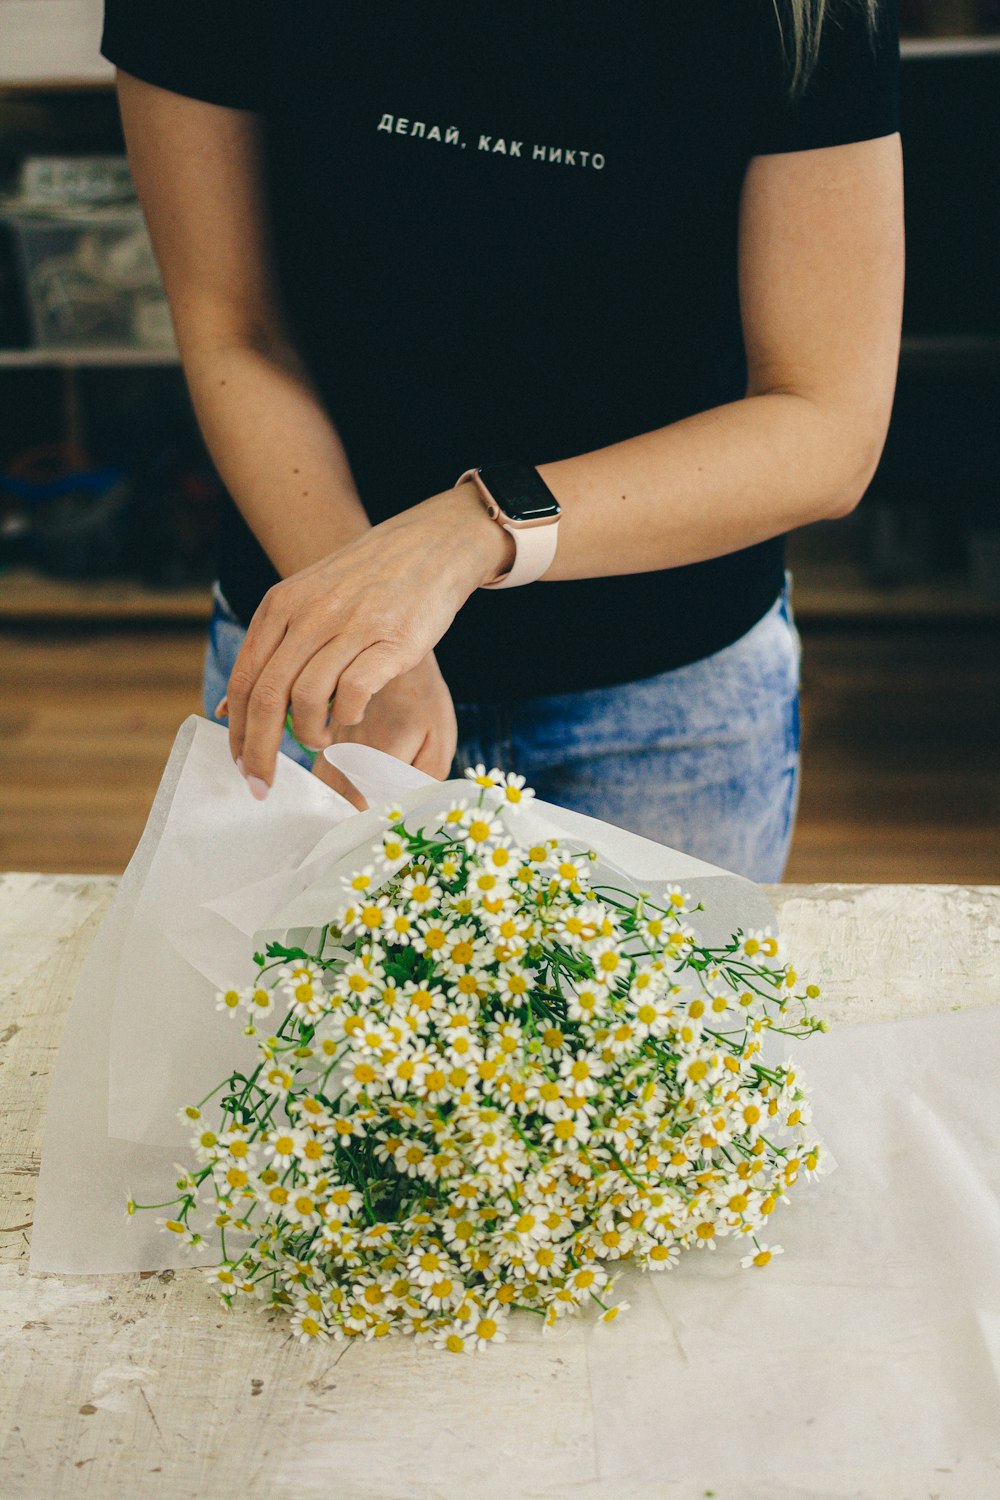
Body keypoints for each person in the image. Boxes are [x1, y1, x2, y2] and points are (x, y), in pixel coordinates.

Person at [100, 0, 903, 881]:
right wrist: (363, 640)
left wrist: (473, 529)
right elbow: (233, 327)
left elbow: (827, 426)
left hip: (667, 704)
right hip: (320, 677)